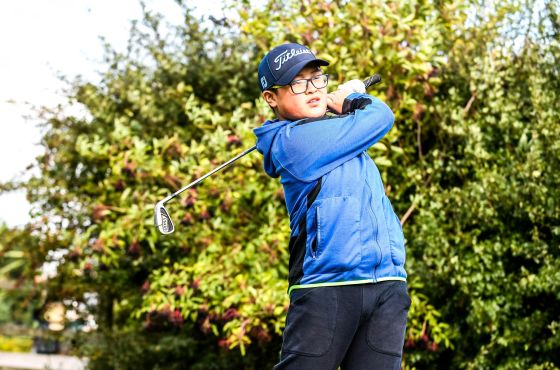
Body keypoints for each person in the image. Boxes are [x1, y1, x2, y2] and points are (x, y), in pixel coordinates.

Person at [253, 42, 411, 370]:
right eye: (297, 83)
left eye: (317, 78)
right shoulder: (290, 143)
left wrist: (344, 107)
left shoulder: (339, 133)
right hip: (328, 286)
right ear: (271, 98)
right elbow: (381, 115)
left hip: (387, 283)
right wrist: (351, 100)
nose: (312, 88)